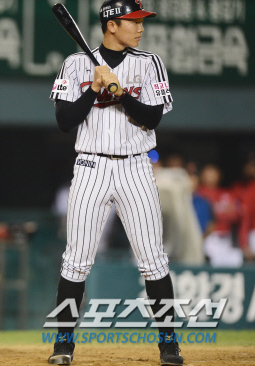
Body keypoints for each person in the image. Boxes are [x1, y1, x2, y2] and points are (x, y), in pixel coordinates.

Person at [48, 1, 182, 365]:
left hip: (136, 168)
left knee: (153, 261)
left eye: (141, 22)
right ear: (111, 25)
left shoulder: (149, 62)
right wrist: (93, 89)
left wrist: (120, 93)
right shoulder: (77, 64)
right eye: (132, 21)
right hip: (91, 165)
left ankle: (169, 345)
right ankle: (63, 346)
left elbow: (152, 118)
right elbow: (64, 120)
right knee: (75, 262)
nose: (140, 28)